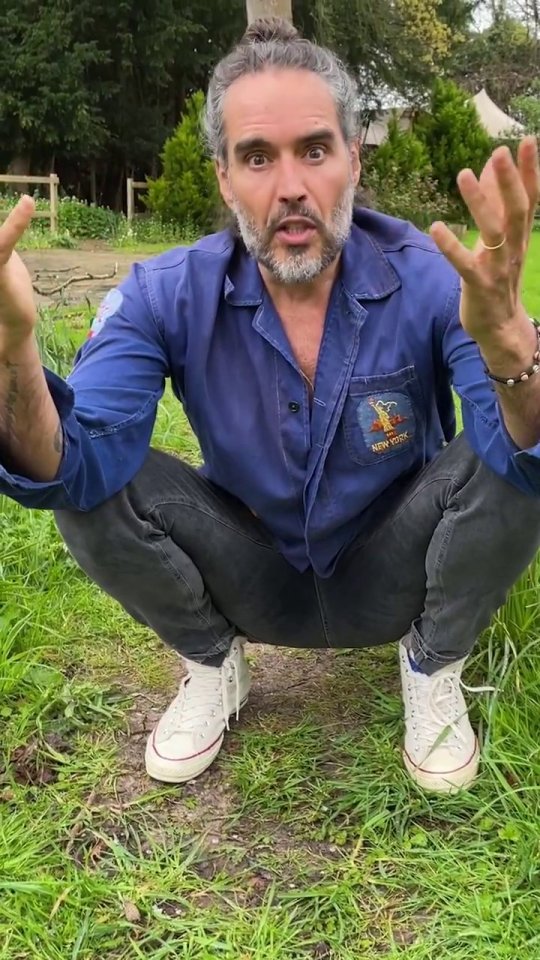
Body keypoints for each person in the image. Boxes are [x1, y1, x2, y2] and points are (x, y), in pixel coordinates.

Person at [1, 17, 540, 795]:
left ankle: (433, 662)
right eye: (257, 156)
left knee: (521, 457)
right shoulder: (163, 292)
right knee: (88, 480)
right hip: (252, 568)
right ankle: (213, 663)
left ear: (355, 160)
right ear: (223, 175)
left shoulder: (429, 278)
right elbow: (70, 471)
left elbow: (517, 458)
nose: (290, 185)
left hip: (395, 567)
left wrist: (512, 352)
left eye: (314, 150)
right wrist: (15, 350)